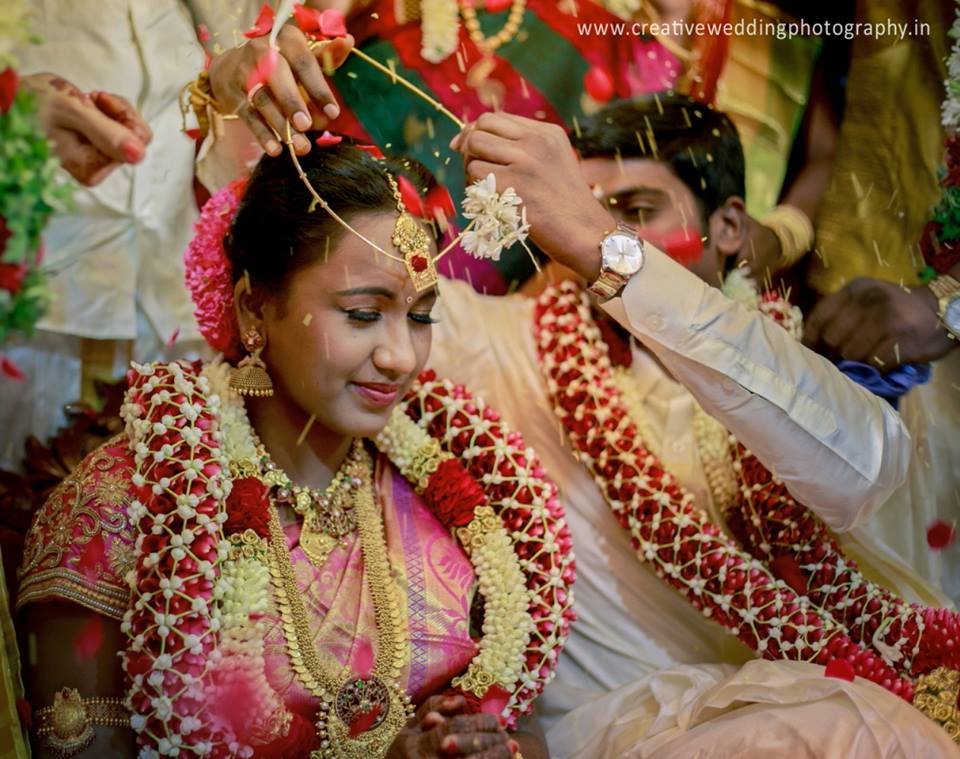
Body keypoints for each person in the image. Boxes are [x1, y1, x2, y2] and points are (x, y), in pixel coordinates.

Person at [429, 94, 959, 756]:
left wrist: (607, 247)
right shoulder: (500, 344)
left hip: (825, 708)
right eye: (573, 207)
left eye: (636, 210)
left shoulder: (797, 361)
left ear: (730, 226)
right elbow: (352, 285)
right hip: (619, 735)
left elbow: (864, 468)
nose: (587, 228)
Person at [14, 142, 570, 758]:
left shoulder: (450, 490)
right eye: (363, 314)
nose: (401, 358)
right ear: (255, 307)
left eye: (420, 317)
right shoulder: (128, 508)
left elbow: (524, 728)